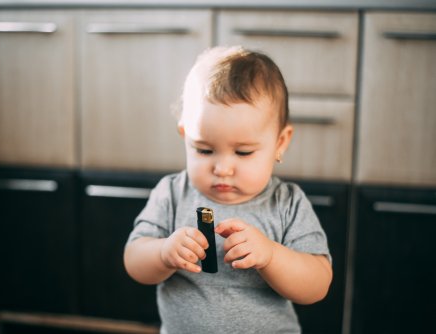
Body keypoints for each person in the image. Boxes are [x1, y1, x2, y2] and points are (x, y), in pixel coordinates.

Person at [124, 46, 332, 334]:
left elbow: (317, 284)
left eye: (243, 152)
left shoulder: (287, 204)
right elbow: (134, 260)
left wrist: (271, 255)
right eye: (204, 149)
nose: (222, 168)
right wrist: (162, 252)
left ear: (280, 143)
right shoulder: (172, 194)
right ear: (185, 136)